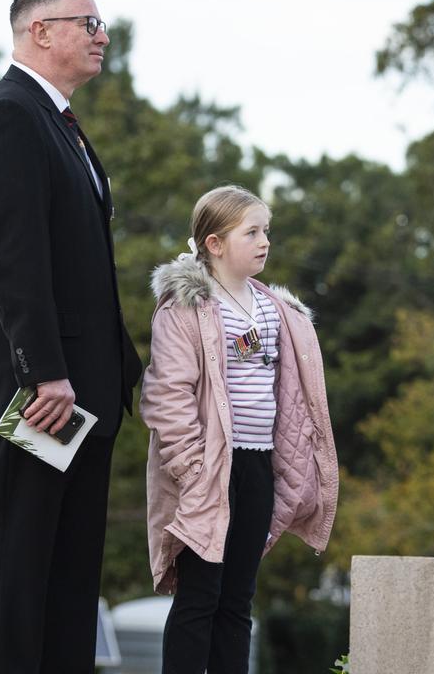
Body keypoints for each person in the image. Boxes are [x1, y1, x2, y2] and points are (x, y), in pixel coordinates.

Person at [0, 0, 143, 673]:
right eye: (88, 23)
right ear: (41, 31)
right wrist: (44, 374)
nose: (102, 35)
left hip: (84, 394)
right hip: (40, 392)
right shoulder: (9, 117)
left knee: (67, 578)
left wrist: (131, 376)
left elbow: (84, 271)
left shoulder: (60, 124)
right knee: (17, 563)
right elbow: (13, 260)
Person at [141, 185, 338, 673]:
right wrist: (192, 468)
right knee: (199, 598)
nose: (264, 241)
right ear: (214, 243)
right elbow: (167, 395)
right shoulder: (186, 307)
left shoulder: (276, 309)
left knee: (237, 601)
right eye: (251, 232)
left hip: (257, 465)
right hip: (208, 469)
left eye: (266, 231)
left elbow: (293, 395)